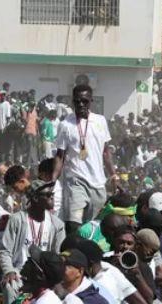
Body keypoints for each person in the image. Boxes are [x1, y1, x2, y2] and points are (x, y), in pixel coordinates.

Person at [52, 83, 115, 231]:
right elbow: (60, 156)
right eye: (77, 101)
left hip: (98, 183)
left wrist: (113, 175)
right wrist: (53, 181)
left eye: (85, 101)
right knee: (74, 223)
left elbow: (106, 152)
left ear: (91, 101)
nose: (81, 104)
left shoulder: (100, 121)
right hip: (75, 181)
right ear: (72, 101)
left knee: (93, 227)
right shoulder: (65, 125)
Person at [0, 180, 67, 304]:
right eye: (48, 195)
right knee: (10, 285)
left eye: (52, 194)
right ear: (35, 198)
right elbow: (5, 251)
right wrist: (9, 270)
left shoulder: (57, 225)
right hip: (20, 273)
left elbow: (58, 256)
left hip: (45, 276)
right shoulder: (17, 219)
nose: (52, 197)